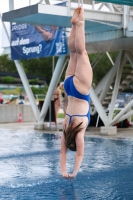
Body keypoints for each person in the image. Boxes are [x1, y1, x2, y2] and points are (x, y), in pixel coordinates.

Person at [60, 7, 93, 179]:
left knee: (81, 53)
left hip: (80, 91)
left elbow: (79, 155)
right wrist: (63, 171)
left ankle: (80, 23)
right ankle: (73, 26)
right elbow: (62, 154)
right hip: (69, 87)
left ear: (75, 143)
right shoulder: (66, 128)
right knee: (73, 53)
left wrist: (73, 173)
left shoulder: (79, 132)